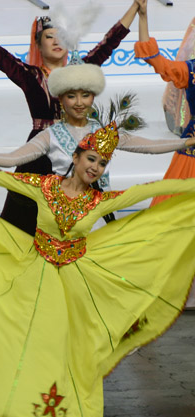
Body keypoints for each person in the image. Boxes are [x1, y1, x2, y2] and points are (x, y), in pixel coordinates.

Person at [0, 121, 195, 417]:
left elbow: (149, 190)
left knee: (70, 347)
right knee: (25, 338)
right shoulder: (43, 186)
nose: (95, 168)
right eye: (91, 159)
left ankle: (62, 401)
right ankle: (16, 395)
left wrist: (189, 186)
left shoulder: (100, 201)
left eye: (101, 164)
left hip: (76, 282)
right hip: (35, 273)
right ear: (76, 156)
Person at [0, 0, 141, 235]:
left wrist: (134, 8)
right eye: (50, 36)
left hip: (76, 145)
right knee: (25, 219)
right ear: (38, 44)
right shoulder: (29, 76)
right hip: (41, 153)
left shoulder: (78, 72)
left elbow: (107, 44)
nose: (57, 41)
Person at [0, 60, 195, 227]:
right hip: (61, 222)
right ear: (61, 99)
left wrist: (186, 142)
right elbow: (16, 158)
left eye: (85, 95)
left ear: (93, 97)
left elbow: (145, 145)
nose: (79, 102)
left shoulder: (102, 132)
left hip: (97, 218)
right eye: (71, 96)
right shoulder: (51, 135)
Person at [133, 0, 195, 307]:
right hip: (191, 159)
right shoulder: (190, 71)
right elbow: (156, 60)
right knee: (169, 224)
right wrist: (143, 17)